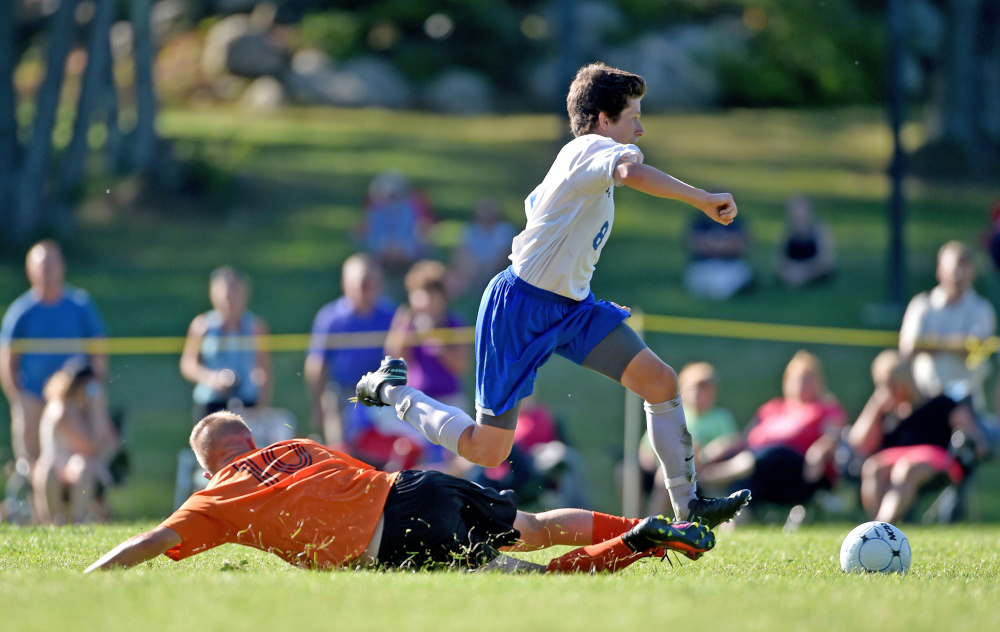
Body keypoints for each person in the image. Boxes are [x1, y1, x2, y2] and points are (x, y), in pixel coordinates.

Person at [354, 62, 750, 528]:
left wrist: (580, 293)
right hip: (517, 308)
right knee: (489, 448)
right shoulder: (590, 148)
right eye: (633, 117)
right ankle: (391, 390)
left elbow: (552, 229)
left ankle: (688, 506)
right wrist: (703, 198)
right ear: (603, 119)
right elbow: (630, 174)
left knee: (660, 381)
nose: (640, 129)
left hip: (571, 307)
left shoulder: (579, 163)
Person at [85, 410, 716, 573]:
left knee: (536, 579)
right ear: (251, 439)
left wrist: (95, 570)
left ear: (208, 467)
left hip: (400, 536)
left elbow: (152, 540)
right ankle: (644, 521)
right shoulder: (297, 445)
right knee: (538, 525)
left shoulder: (216, 497)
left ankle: (640, 542)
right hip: (417, 485)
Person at [0, 240, 107, 503]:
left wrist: (93, 387)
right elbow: (7, 362)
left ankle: (89, 506)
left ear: (62, 267)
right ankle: (41, 514)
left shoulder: (80, 305)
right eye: (42, 265)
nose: (47, 270)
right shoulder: (21, 312)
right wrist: (19, 398)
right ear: (30, 271)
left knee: (86, 453)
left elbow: (99, 351)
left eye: (52, 263)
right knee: (36, 462)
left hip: (74, 398)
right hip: (34, 397)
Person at [847, 349, 991, 523]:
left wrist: (975, 446)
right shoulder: (887, 412)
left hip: (933, 458)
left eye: (892, 384)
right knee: (873, 467)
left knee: (905, 469)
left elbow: (972, 432)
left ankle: (882, 526)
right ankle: (877, 528)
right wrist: (875, 406)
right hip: (893, 458)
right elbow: (857, 443)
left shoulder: (940, 403)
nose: (888, 391)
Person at [696, 351, 847, 514]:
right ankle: (731, 517)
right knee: (745, 484)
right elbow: (743, 439)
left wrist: (819, 451)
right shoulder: (771, 408)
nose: (801, 384)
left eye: (808, 378)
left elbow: (833, 436)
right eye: (796, 378)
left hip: (799, 472)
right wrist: (718, 449)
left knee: (772, 452)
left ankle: (709, 478)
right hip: (760, 471)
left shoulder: (826, 408)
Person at [304, 253, 396, 446]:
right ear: (345, 284)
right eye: (363, 284)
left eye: (374, 283)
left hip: (381, 395)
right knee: (341, 453)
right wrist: (317, 404)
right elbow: (317, 364)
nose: (368, 290)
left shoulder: (390, 315)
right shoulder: (330, 318)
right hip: (342, 395)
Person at [899, 240, 996, 413]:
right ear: (940, 270)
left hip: (966, 405)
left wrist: (932, 342)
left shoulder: (982, 309)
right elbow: (908, 346)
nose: (958, 273)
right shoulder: (922, 304)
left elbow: (975, 347)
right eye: (953, 266)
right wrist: (956, 343)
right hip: (924, 399)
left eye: (964, 266)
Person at [637, 362, 742, 515]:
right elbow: (646, 449)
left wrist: (710, 452)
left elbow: (732, 443)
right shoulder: (674, 416)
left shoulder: (720, 417)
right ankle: (639, 520)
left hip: (703, 473)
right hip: (666, 468)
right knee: (631, 472)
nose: (699, 394)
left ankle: (664, 522)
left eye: (706, 389)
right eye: (695, 388)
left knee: (667, 476)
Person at [180, 266, 273, 422]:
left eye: (234, 290)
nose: (229, 296)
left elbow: (264, 368)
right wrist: (210, 378)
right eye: (224, 290)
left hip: (246, 401)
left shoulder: (256, 326)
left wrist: (262, 401)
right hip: (210, 402)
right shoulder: (202, 325)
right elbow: (188, 364)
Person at [32, 361, 119, 525]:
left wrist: (97, 409)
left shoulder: (89, 407)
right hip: (56, 466)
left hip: (78, 466)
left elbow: (113, 443)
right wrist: (97, 410)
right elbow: (88, 447)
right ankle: (54, 523)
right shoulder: (59, 409)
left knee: (85, 465)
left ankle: (79, 522)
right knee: (50, 469)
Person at [356, 171, 434, 273]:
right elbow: (369, 237)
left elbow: (416, 237)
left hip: (406, 255)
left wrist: (402, 250)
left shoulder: (410, 211)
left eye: (393, 195)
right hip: (383, 255)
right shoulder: (376, 213)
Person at [448, 196, 518, 296]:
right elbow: (461, 251)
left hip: (495, 268)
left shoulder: (504, 230)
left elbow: (505, 253)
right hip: (473, 267)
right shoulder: (470, 230)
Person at [682, 212, 754, 300]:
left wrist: (711, 245)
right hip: (704, 265)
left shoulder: (736, 222)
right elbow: (694, 245)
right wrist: (725, 245)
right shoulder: (700, 222)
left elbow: (742, 246)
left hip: (729, 265)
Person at [774, 194, 836, 288]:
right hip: (792, 273)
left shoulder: (819, 231)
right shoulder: (787, 233)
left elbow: (826, 261)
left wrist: (804, 272)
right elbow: (779, 261)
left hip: (814, 273)